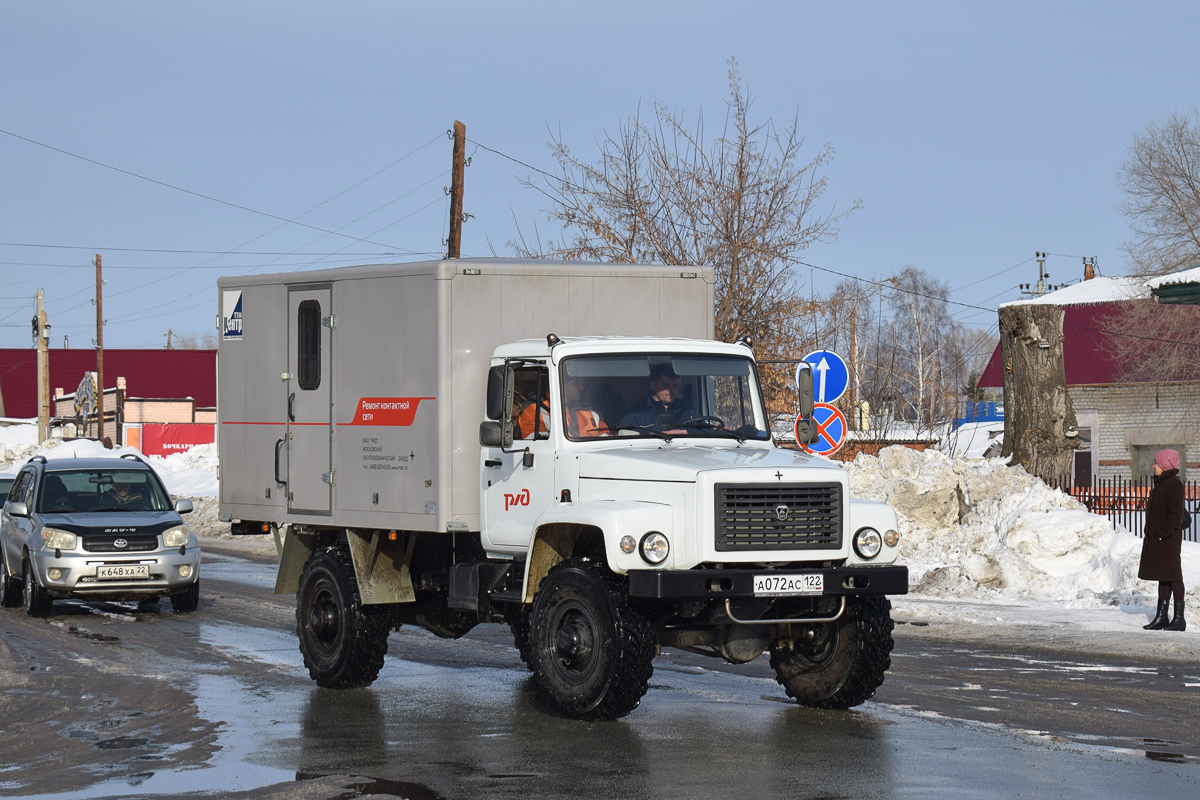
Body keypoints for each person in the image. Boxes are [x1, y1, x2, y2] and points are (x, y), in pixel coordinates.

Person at [1139, 449, 1187, 631]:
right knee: (1163, 576)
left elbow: (1174, 516)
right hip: (1160, 539)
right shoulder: (1163, 483)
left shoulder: (1174, 484)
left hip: (1168, 539)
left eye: (1156, 463)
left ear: (1165, 465)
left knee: (1174, 576)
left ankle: (1179, 619)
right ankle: (1162, 617)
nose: (1153, 466)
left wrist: (1161, 533)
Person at [620, 364, 697, 432]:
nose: (671, 390)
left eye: (675, 385)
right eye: (666, 385)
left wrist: (684, 432)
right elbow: (626, 434)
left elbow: (706, 430)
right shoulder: (637, 411)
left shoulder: (686, 409)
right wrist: (651, 434)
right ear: (653, 386)